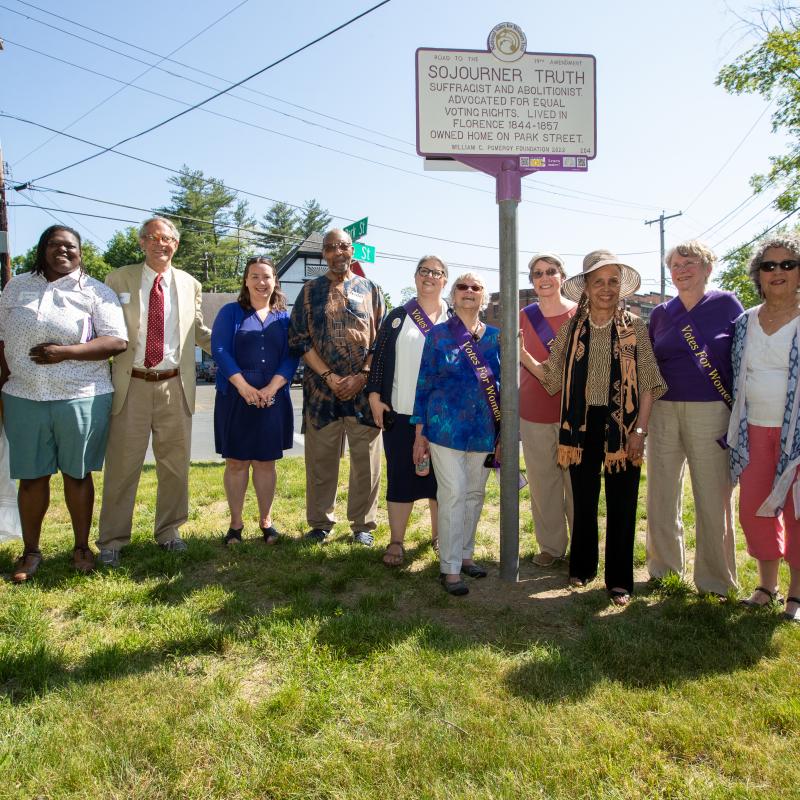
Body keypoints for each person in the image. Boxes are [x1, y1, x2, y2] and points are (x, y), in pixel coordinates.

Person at [520, 250, 665, 606]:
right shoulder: (573, 328)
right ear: (585, 287)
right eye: (598, 281)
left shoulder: (634, 326)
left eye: (612, 281)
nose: (606, 288)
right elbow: (552, 378)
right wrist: (521, 355)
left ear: (621, 287)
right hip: (580, 426)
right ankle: (582, 568)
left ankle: (619, 581)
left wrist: (640, 432)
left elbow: (649, 383)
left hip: (624, 427)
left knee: (622, 504)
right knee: (583, 501)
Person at [0, 225, 127, 581]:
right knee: (32, 477)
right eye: (54, 245)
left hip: (81, 394)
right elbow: (1, 339)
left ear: (80, 252)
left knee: (77, 473)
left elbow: (116, 342)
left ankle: (81, 547)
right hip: (24, 394)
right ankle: (30, 552)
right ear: (42, 249)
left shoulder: (95, 292)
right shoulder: (16, 287)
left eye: (70, 246)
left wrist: (64, 353)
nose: (63, 251)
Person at [96, 216, 211, 567]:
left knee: (175, 467)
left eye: (169, 239)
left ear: (176, 245)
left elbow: (198, 331)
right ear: (142, 242)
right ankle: (112, 541)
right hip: (131, 383)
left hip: (175, 385)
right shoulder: (117, 279)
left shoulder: (190, 283)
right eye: (154, 238)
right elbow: (101, 327)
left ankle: (169, 532)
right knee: (122, 466)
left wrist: (237, 347)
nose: (162, 244)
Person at [646, 241, 743, 597]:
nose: (681, 269)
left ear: (707, 268)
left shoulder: (727, 305)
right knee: (661, 493)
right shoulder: (661, 313)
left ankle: (715, 580)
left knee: (713, 496)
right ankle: (663, 568)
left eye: (689, 263)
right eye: (675, 264)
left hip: (712, 411)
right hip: (664, 410)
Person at [288, 228, 386, 546]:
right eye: (331, 247)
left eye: (343, 245)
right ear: (323, 254)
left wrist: (363, 375)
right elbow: (299, 339)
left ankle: (363, 526)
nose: (337, 252)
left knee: (366, 463)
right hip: (320, 392)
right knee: (320, 460)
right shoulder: (308, 292)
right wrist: (330, 377)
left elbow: (381, 341)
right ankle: (319, 523)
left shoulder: (371, 289)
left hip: (363, 392)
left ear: (352, 251)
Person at [412, 273, 500, 595]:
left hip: (483, 430)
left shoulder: (495, 338)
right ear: (453, 294)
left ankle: (465, 555)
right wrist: (420, 433)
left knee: (475, 494)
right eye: (463, 287)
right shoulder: (437, 336)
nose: (469, 292)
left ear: (483, 298)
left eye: (476, 288)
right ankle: (449, 570)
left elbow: (504, 388)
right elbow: (423, 384)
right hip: (444, 430)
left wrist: (503, 433)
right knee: (454, 493)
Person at [728, 234, 800, 621]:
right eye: (769, 266)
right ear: (758, 275)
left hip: (799, 438)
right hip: (753, 430)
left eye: (788, 264)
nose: (778, 272)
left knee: (798, 512)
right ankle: (766, 586)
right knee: (755, 510)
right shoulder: (745, 321)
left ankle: (796, 595)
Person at [368, 256, 449, 566]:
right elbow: (378, 362)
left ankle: (440, 537)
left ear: (444, 280)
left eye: (436, 272)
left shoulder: (453, 319)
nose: (429, 276)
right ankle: (397, 541)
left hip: (442, 418)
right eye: (423, 271)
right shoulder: (397, 317)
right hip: (400, 413)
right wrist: (375, 397)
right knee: (401, 476)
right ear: (416, 277)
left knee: (441, 482)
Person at [211, 257, 297, 544]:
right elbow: (220, 349)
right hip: (235, 396)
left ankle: (266, 521)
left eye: (267, 277)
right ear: (246, 281)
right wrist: (243, 386)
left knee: (265, 463)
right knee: (236, 462)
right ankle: (235, 525)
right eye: (255, 276)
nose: (261, 282)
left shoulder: (285, 319)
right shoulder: (230, 312)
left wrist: (272, 387)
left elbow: (291, 356)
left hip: (273, 397)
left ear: (275, 281)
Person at [519, 252, 577, 567]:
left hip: (572, 414)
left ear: (562, 277)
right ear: (532, 281)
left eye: (551, 271)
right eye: (538, 273)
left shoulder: (580, 315)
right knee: (543, 484)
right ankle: (552, 547)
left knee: (576, 485)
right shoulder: (523, 316)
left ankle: (582, 548)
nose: (544, 278)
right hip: (534, 411)